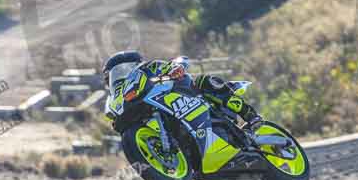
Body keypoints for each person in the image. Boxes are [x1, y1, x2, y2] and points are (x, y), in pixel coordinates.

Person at [102, 51, 262, 129]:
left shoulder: (150, 67)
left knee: (204, 81)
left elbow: (180, 60)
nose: (122, 76)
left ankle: (251, 117)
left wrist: (176, 67)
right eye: (116, 74)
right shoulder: (116, 100)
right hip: (163, 117)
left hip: (186, 95)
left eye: (126, 69)